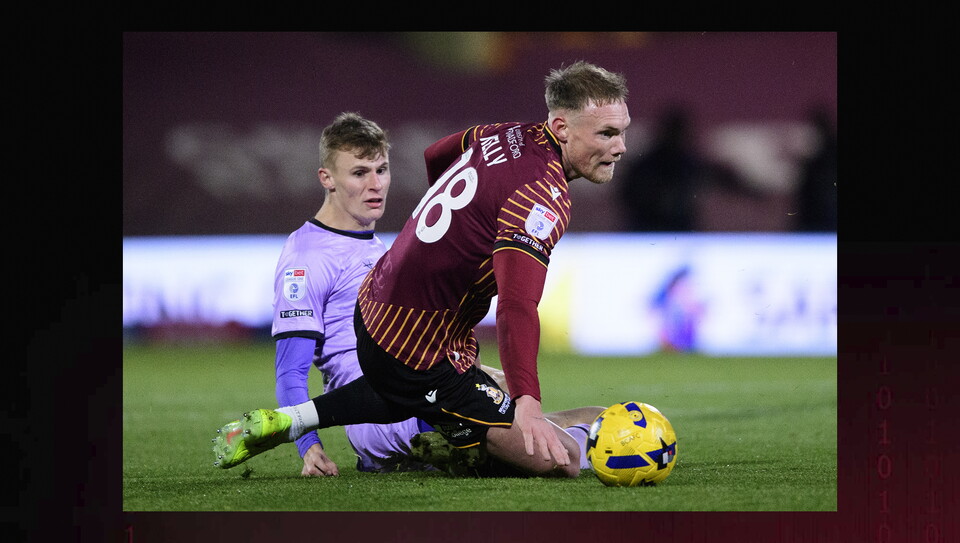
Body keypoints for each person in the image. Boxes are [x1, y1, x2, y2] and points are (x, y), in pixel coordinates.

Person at [213, 60, 629, 478]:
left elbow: (437, 152)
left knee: (429, 388)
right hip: (419, 348)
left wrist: (454, 238)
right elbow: (516, 305)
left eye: (622, 130)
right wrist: (528, 401)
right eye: (607, 133)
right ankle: (492, 441)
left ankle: (295, 419)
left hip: (374, 313)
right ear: (561, 128)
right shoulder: (542, 196)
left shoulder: (504, 134)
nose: (621, 146)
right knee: (563, 462)